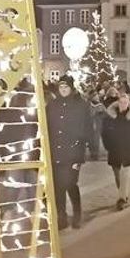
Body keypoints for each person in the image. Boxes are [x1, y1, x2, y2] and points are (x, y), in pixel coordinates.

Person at [46, 75, 92, 229]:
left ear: (71, 88)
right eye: (61, 87)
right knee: (58, 186)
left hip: (73, 152)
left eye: (66, 87)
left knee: (71, 183)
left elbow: (87, 129)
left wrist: (83, 151)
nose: (63, 90)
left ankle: (77, 213)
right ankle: (62, 216)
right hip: (55, 151)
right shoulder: (52, 105)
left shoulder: (81, 105)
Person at [102, 92, 130, 210]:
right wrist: (108, 146)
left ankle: (122, 199)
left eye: (125, 103)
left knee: (125, 176)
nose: (123, 105)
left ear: (129, 103)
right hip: (114, 151)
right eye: (121, 102)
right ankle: (123, 196)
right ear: (117, 103)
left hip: (128, 151)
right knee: (118, 176)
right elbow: (104, 133)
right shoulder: (110, 118)